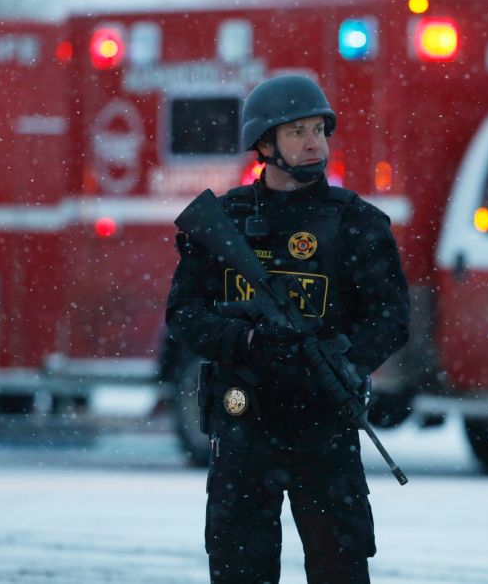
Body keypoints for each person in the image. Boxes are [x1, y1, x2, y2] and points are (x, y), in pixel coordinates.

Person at [165, 74, 410, 584]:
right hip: (243, 421)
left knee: (339, 568)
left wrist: (342, 360)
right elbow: (184, 315)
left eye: (320, 130)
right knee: (239, 567)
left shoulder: (358, 224)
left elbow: (391, 320)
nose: (313, 143)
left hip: (324, 424)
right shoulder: (225, 220)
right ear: (264, 144)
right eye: (297, 132)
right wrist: (247, 341)